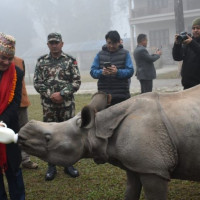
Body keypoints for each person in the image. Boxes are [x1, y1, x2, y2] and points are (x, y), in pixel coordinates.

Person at [33, 32, 81, 181]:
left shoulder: (70, 61)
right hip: (49, 106)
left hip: (66, 105)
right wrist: (51, 95)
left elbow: (76, 81)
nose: (54, 45)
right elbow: (37, 83)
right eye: (51, 43)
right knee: (49, 135)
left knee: (68, 133)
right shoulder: (41, 61)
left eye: (56, 42)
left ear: (62, 44)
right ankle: (51, 165)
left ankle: (68, 164)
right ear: (48, 45)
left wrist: (62, 94)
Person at [0, 33, 25, 199]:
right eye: (3, 57)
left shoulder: (17, 73)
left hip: (8, 126)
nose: (7, 62)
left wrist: (2, 121)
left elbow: (15, 103)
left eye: (10, 58)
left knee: (14, 168)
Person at [90, 30, 134, 106]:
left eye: (114, 43)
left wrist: (118, 72)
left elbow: (130, 71)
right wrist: (102, 72)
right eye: (109, 43)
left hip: (121, 95)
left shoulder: (125, 54)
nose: (111, 46)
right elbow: (93, 71)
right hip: (104, 96)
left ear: (119, 42)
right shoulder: (100, 54)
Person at [13, 56, 38, 169]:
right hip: (4, 105)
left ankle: (25, 160)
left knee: (23, 131)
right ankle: (10, 161)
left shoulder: (19, 61)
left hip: (21, 103)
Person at [172, 17, 200, 90]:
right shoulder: (188, 42)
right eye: (193, 28)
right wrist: (177, 44)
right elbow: (177, 57)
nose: (195, 30)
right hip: (187, 85)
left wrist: (191, 43)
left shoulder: (191, 42)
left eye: (198, 28)